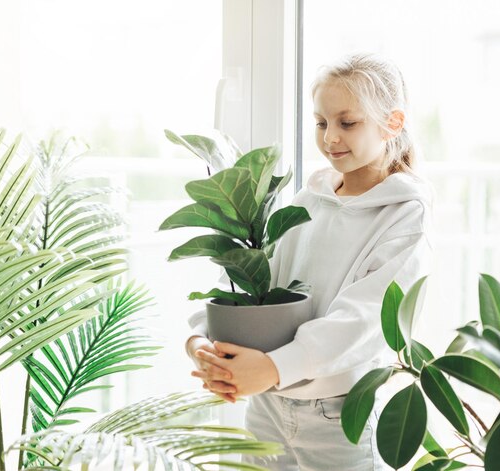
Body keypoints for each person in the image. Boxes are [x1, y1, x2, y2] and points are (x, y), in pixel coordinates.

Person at [185, 52, 433, 470]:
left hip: (338, 416)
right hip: (267, 407)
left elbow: (365, 320)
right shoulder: (309, 200)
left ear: (391, 123)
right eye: (321, 123)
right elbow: (261, 287)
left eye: (347, 122)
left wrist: (273, 367)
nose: (330, 138)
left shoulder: (405, 215)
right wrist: (203, 340)